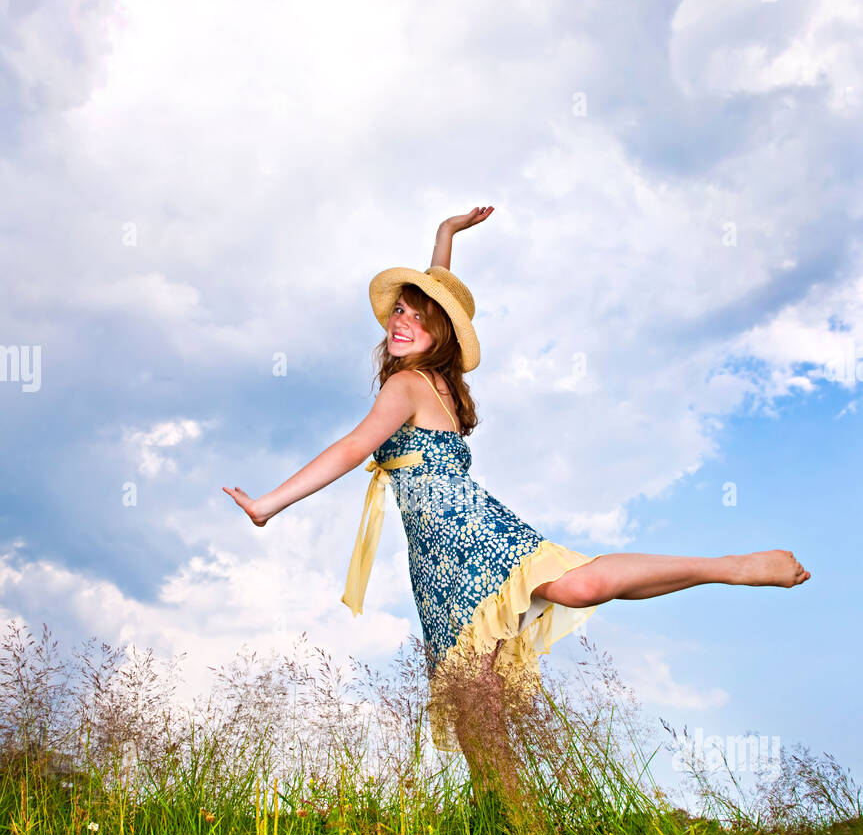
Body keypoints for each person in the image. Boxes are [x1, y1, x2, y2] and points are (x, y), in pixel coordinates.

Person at [224, 208, 811, 766]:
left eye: (418, 316)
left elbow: (352, 448)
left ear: (441, 334)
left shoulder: (406, 387)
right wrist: (446, 233)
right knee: (476, 707)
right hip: (436, 559)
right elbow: (442, 292)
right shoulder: (439, 383)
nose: (403, 320)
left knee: (576, 590)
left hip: (468, 534)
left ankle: (733, 566)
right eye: (398, 312)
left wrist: (268, 505)